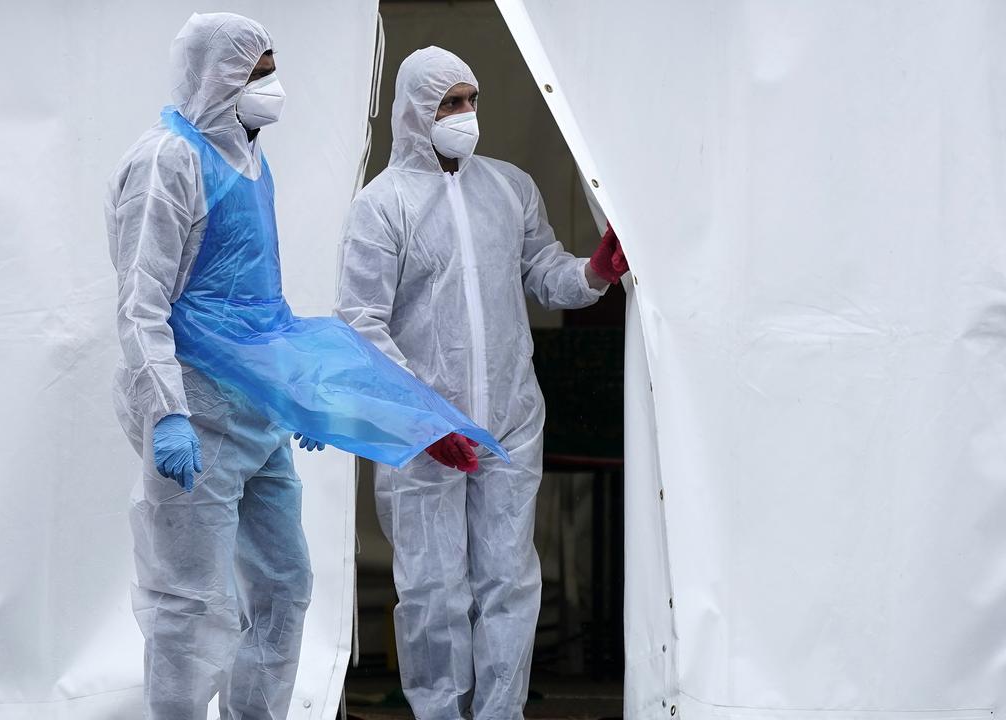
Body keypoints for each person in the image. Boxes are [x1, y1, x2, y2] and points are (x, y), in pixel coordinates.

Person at [106, 17, 507, 720]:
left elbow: (260, 303)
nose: (270, 87)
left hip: (257, 414)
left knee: (284, 587)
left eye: (270, 67)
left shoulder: (253, 163)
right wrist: (166, 410)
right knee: (190, 604)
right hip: (196, 413)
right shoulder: (167, 161)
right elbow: (141, 301)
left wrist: (301, 392)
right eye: (256, 71)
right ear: (216, 77)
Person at [335, 46, 629, 719]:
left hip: (510, 423)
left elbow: (544, 271)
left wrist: (593, 273)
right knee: (434, 590)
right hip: (424, 431)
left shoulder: (509, 186)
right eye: (449, 104)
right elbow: (361, 326)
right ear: (414, 112)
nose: (465, 116)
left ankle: (501, 712)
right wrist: (423, 420)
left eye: (471, 100)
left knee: (509, 581)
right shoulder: (382, 207)